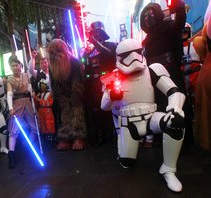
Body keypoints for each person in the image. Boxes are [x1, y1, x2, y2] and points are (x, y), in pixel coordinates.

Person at [101, 39, 185, 192]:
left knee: (175, 123)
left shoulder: (152, 70)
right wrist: (111, 96)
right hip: (128, 124)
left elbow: (174, 91)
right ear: (119, 57)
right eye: (127, 54)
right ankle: (124, 148)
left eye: (138, 52)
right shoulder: (113, 77)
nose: (133, 57)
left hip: (151, 118)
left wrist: (175, 108)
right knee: (127, 163)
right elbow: (104, 106)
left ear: (142, 52)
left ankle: (168, 169)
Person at [140, 1, 193, 146]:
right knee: (160, 107)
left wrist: (179, 7)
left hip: (171, 72)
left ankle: (184, 140)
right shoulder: (146, 41)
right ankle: (161, 139)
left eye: (150, 15)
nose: (148, 19)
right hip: (155, 77)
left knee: (177, 104)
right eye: (145, 17)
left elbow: (180, 20)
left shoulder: (169, 28)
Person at [47, 39, 87, 151]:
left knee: (77, 111)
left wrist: (75, 97)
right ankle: (64, 137)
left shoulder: (74, 62)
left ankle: (79, 137)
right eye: (52, 53)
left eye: (58, 51)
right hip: (63, 95)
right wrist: (62, 99)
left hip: (76, 93)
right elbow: (55, 86)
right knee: (64, 114)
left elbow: (78, 84)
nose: (56, 55)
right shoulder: (52, 67)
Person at [82, 21, 117, 146]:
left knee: (107, 109)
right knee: (95, 110)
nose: (96, 35)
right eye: (93, 33)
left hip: (107, 82)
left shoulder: (111, 45)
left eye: (98, 32)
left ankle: (110, 136)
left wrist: (95, 44)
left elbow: (109, 54)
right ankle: (98, 136)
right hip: (93, 84)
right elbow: (85, 67)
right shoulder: (89, 52)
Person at [7, 57, 38, 168]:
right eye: (13, 65)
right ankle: (11, 154)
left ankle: (28, 145)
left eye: (17, 65)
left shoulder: (25, 75)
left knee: (34, 127)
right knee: (13, 130)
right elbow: (9, 94)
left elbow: (29, 87)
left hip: (28, 103)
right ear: (10, 67)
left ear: (20, 65)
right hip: (17, 104)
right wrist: (10, 108)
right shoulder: (10, 79)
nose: (15, 67)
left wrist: (32, 91)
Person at [193, 6, 211, 151]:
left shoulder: (205, 29)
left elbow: (198, 45)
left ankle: (206, 141)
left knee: (205, 111)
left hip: (207, 71)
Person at [34, 79, 55, 148]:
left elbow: (50, 103)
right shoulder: (39, 95)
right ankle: (45, 141)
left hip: (47, 111)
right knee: (42, 126)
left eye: (43, 85)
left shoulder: (49, 94)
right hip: (41, 112)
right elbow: (36, 104)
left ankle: (51, 142)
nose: (42, 87)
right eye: (41, 86)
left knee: (49, 125)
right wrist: (35, 97)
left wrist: (40, 100)